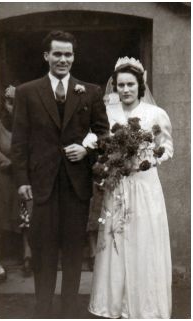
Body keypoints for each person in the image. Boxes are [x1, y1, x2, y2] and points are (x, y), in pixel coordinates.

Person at [11, 30, 109, 318]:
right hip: (41, 184)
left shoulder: (90, 91)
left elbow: (104, 134)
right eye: (57, 54)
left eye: (68, 54)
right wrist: (22, 180)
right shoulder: (27, 92)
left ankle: (68, 310)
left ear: (73, 57)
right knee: (43, 251)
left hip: (76, 185)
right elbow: (19, 141)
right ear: (47, 56)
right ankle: (42, 310)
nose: (63, 59)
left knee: (73, 251)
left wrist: (87, 150)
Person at [89, 57, 173, 319]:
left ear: (141, 85)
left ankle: (146, 307)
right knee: (116, 239)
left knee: (143, 241)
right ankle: (112, 304)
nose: (125, 90)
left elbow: (167, 148)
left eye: (130, 85)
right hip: (118, 185)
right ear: (114, 87)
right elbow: (95, 137)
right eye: (120, 85)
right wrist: (95, 147)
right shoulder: (107, 112)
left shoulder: (155, 114)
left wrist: (149, 160)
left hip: (144, 186)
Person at [0, 85, 32, 276]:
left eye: (17, 104)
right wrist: (6, 161)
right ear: (5, 104)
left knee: (27, 218)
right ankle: (0, 259)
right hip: (7, 178)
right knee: (4, 217)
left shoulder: (28, 125)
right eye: (10, 103)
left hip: (25, 178)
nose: (13, 108)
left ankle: (28, 257)